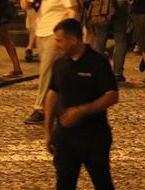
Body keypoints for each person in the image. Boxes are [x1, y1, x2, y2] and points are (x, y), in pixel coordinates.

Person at [44, 18, 119, 190]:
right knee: (64, 183)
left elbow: (112, 96)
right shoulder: (60, 64)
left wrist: (82, 110)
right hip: (65, 137)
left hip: (93, 136)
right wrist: (48, 131)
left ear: (74, 39)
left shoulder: (98, 63)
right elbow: (52, 94)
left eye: (59, 40)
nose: (56, 45)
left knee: (102, 182)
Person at [21, 0, 80, 125]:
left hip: (54, 37)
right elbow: (32, 4)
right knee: (57, 74)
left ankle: (40, 108)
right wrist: (25, 3)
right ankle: (63, 106)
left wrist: (66, 34)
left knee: (46, 72)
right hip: (41, 33)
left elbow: (72, 10)